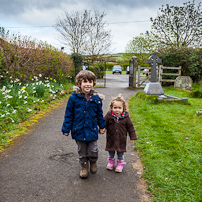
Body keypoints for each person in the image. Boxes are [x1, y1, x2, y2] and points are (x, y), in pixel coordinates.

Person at [62, 70, 106, 179]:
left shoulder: (96, 98)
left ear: (93, 84)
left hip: (91, 129)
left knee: (93, 150)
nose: (87, 84)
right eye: (85, 82)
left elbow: (99, 114)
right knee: (82, 151)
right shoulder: (73, 98)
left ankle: (93, 161)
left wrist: (102, 126)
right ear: (79, 84)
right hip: (79, 129)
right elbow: (69, 114)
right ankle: (84, 167)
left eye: (90, 82)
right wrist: (66, 129)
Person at [104, 94, 137, 173]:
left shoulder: (125, 118)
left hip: (121, 139)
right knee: (111, 151)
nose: (117, 110)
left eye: (119, 108)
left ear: (123, 108)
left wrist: (132, 136)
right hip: (111, 138)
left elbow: (130, 127)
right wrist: (102, 129)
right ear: (111, 108)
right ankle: (111, 163)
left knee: (120, 152)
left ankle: (120, 164)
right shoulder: (109, 116)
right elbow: (103, 123)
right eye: (115, 108)